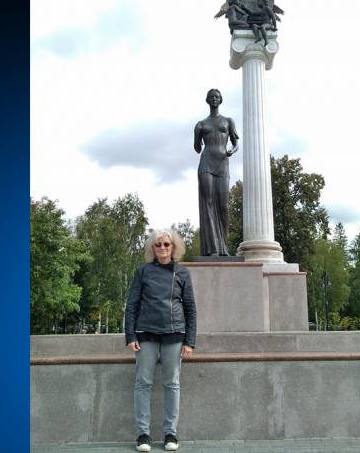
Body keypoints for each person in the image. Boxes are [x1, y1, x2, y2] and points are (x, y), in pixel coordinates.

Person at [124, 229, 197, 452]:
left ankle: (170, 434)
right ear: (152, 248)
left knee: (172, 384)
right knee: (143, 383)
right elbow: (132, 305)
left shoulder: (182, 273)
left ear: (174, 247)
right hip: (145, 334)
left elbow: (190, 309)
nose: (163, 248)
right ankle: (143, 435)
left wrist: (190, 342)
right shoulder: (142, 272)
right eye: (159, 245)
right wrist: (130, 335)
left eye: (167, 244)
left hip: (175, 336)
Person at [194, 89, 239, 256]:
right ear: (207, 100)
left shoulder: (228, 121)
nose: (214, 99)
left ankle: (223, 247)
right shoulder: (202, 124)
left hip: (222, 164)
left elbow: (235, 144)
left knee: (224, 206)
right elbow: (197, 148)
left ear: (220, 100)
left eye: (217, 97)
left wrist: (232, 151)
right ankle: (213, 248)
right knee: (209, 203)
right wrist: (197, 134)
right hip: (206, 164)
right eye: (211, 97)